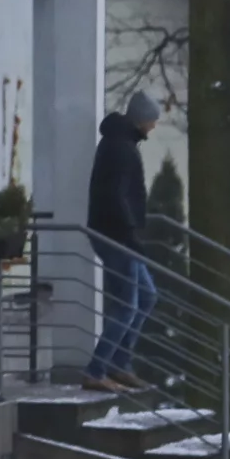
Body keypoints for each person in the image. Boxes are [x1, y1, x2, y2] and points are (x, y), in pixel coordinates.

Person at [84, 90, 161, 393]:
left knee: (146, 296)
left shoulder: (121, 143)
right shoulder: (120, 148)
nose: (154, 127)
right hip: (116, 236)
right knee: (128, 305)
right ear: (142, 119)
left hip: (118, 234)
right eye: (153, 120)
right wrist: (130, 233)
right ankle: (98, 368)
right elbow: (115, 195)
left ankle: (119, 363)